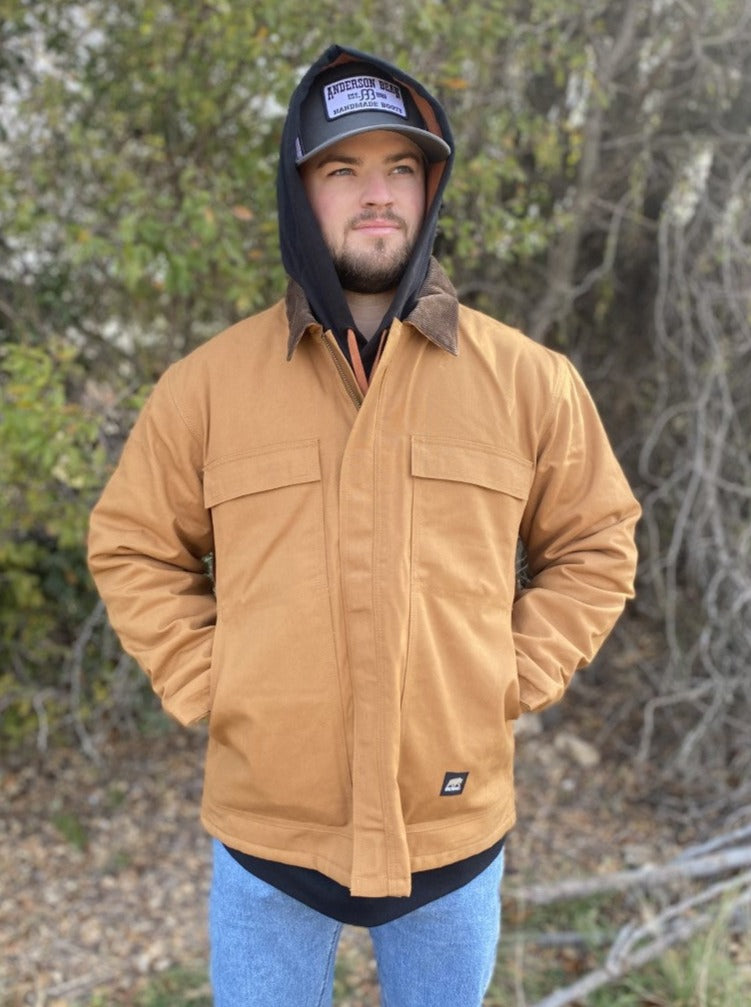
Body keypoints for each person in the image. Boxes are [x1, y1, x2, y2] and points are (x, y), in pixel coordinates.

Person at [87, 43, 641, 1007]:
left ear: (429, 189)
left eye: (399, 169)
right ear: (299, 191)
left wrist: (511, 671)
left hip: (452, 832)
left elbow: (595, 543)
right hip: (268, 839)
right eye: (342, 169)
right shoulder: (205, 388)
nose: (375, 194)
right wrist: (213, 677)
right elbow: (133, 545)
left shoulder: (529, 381)